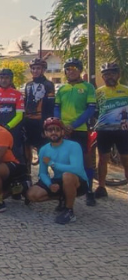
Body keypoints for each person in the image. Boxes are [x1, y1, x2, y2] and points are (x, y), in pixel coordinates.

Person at [27, 117, 89, 224]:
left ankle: (69, 210)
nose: (53, 132)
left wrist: (52, 163)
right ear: (45, 133)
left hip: (78, 182)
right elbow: (42, 172)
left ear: (62, 132)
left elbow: (77, 168)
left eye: (57, 129)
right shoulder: (44, 149)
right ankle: (63, 197)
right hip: (59, 180)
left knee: (67, 176)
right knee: (32, 194)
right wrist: (50, 184)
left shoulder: (74, 146)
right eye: (50, 130)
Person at [54, 58, 97, 206]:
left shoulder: (88, 87)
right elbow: (57, 108)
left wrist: (73, 125)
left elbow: (90, 109)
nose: (70, 71)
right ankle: (63, 196)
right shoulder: (62, 88)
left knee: (86, 160)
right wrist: (60, 124)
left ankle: (89, 190)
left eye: (73, 68)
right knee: (62, 161)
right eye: (68, 68)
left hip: (80, 129)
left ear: (80, 70)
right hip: (63, 130)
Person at [93, 62, 128, 199]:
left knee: (125, 159)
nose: (109, 77)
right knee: (102, 159)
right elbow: (95, 111)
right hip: (104, 130)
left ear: (118, 75)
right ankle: (101, 186)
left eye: (112, 73)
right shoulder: (99, 92)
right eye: (106, 74)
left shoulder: (126, 90)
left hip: (123, 130)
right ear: (102, 77)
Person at [0, 68, 25, 166]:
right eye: (1, 78)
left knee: (16, 154)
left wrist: (7, 127)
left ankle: (21, 176)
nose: (4, 80)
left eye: (7, 78)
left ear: (11, 80)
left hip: (13, 129)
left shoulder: (18, 95)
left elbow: (20, 115)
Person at [23, 58, 56, 161]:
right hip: (28, 120)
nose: (35, 71)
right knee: (26, 147)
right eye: (33, 68)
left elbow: (50, 106)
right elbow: (25, 102)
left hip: (41, 120)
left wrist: (46, 124)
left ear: (43, 70)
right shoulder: (28, 85)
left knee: (42, 149)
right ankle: (27, 173)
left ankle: (43, 174)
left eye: (38, 68)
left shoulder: (48, 84)